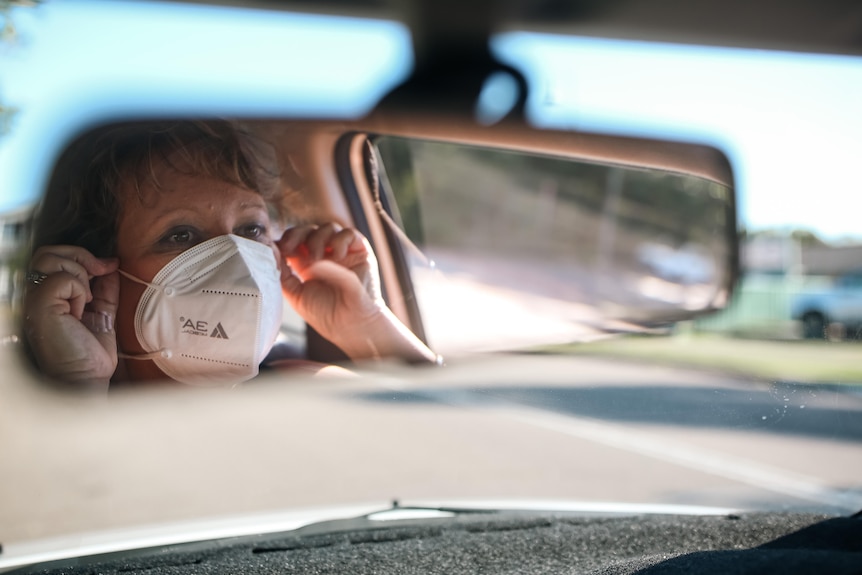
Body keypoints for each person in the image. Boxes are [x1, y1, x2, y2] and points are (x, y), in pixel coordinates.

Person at [22, 120, 436, 391]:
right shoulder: (33, 410)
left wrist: (363, 323)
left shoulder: (307, 390)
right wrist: (79, 384)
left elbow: (477, 441)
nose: (236, 257)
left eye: (250, 229)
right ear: (94, 277)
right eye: (181, 235)